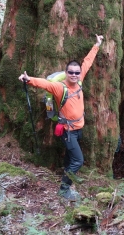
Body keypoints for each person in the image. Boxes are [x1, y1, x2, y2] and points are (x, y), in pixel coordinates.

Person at [18, 34, 104, 201]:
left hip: (79, 129)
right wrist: (28, 80)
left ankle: (68, 178)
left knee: (70, 157)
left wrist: (97, 45)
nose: (74, 74)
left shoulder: (79, 80)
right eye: (71, 72)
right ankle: (64, 189)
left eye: (76, 72)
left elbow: (87, 62)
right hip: (68, 131)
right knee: (78, 161)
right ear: (66, 73)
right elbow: (44, 83)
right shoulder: (60, 87)